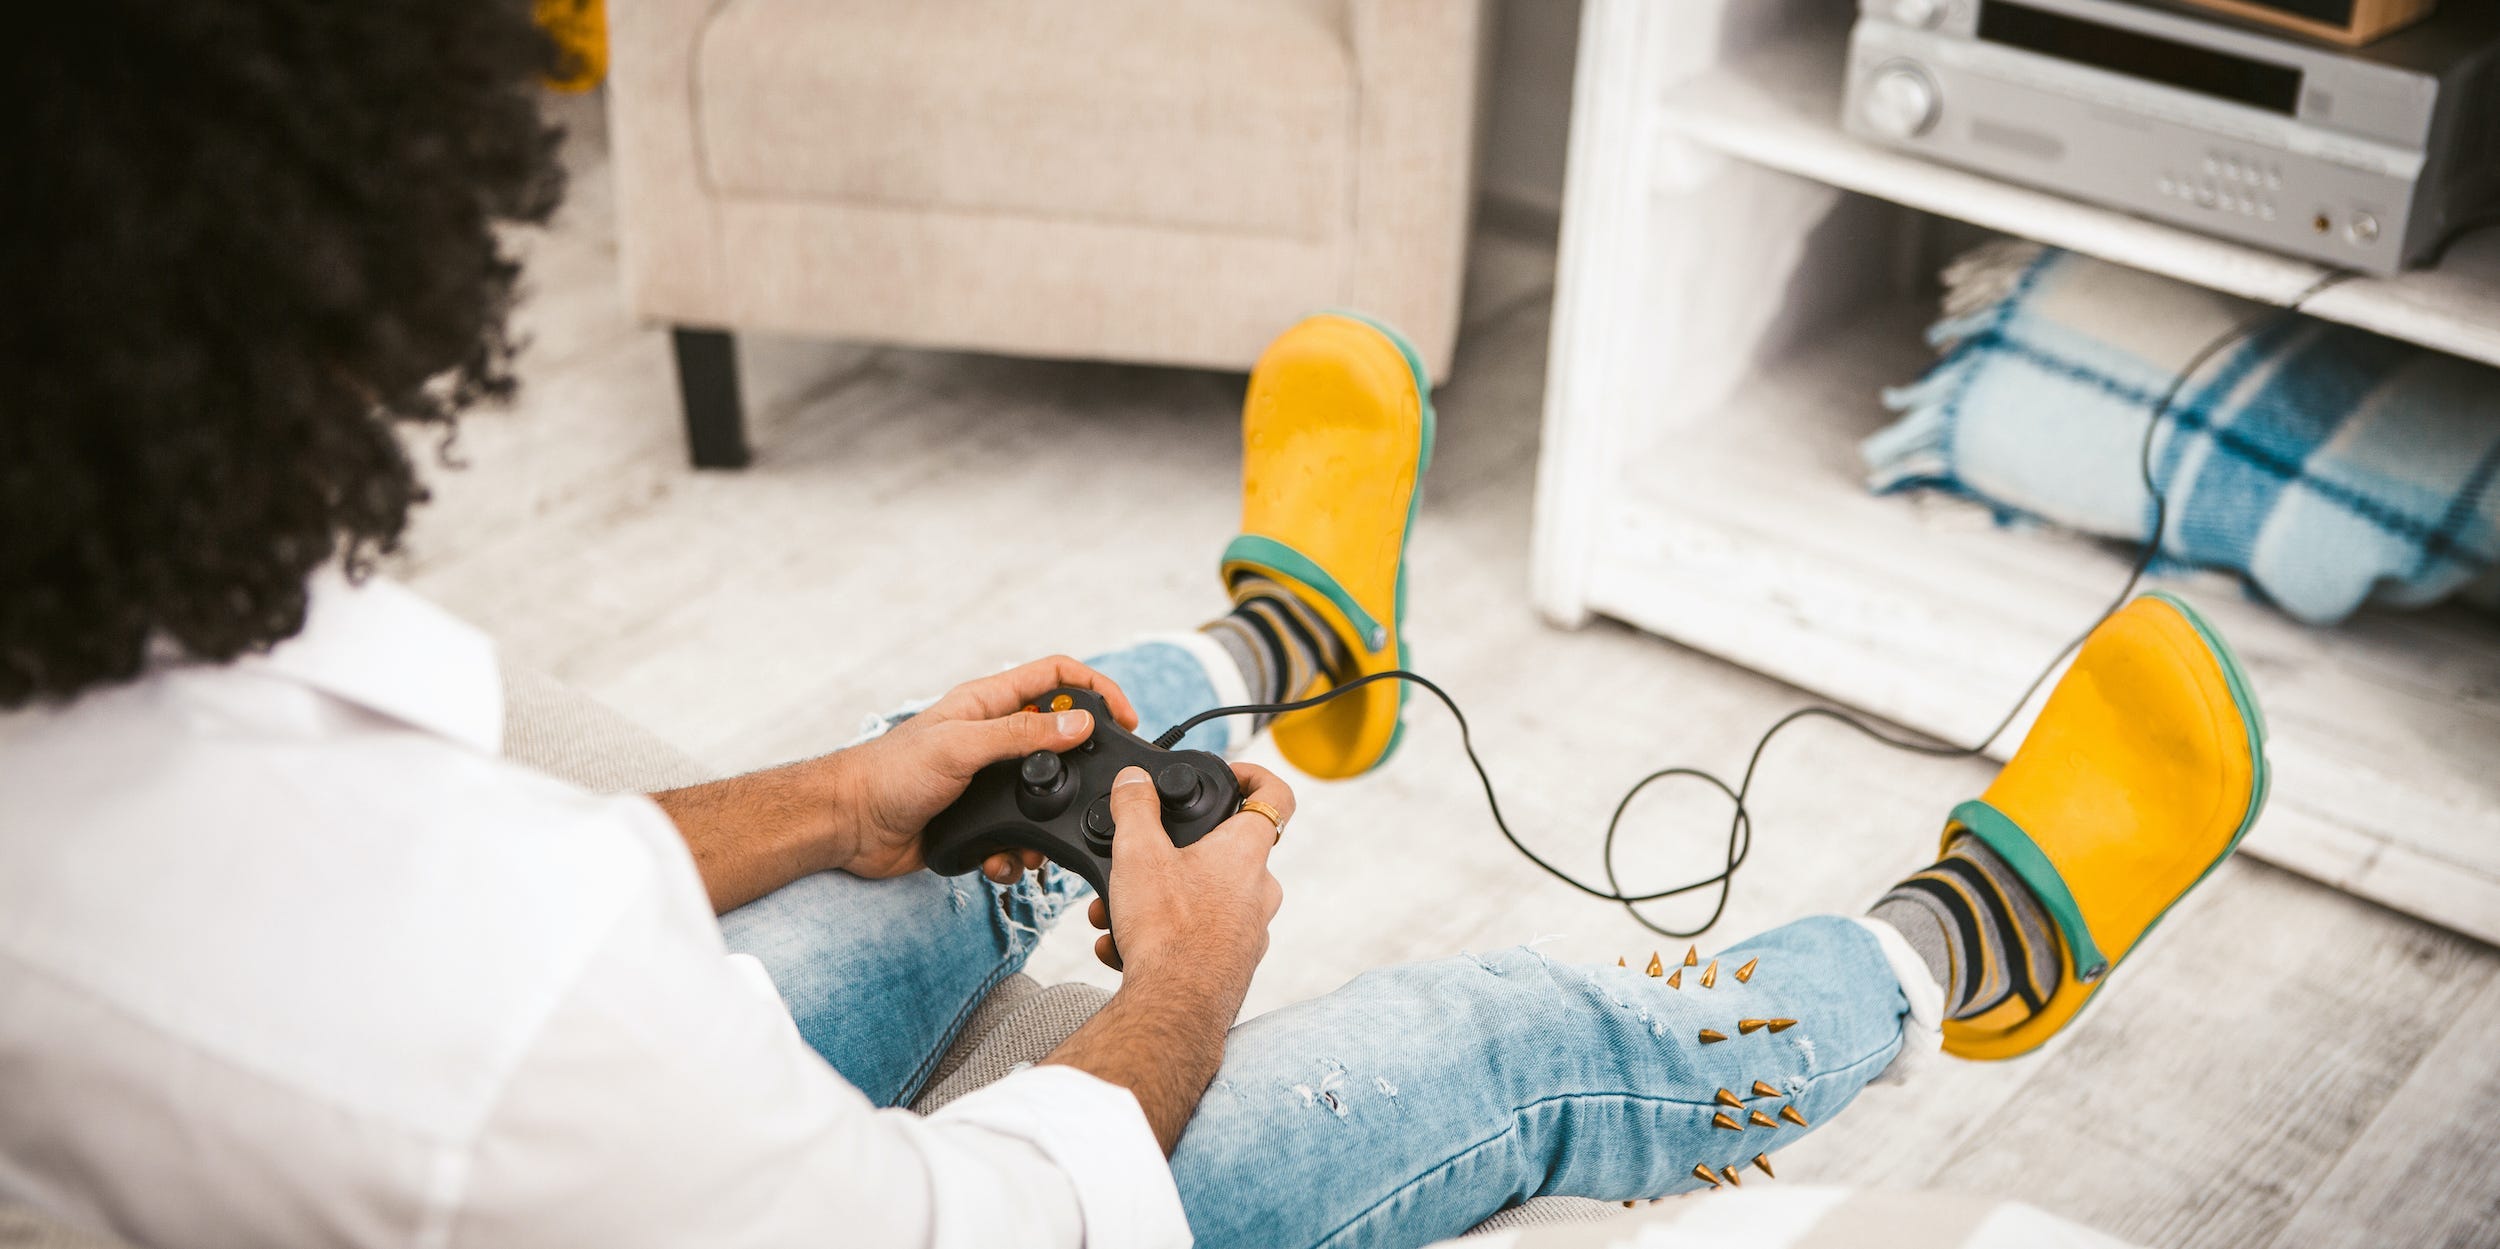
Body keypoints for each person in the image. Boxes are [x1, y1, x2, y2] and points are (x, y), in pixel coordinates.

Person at [0, 4, 2267, 1247]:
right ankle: (1963, 942)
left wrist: (830, 797)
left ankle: (1287, 660)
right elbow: (980, 1227)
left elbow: (474, 906)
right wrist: (1186, 977)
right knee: (1479, 1037)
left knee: (964, 780)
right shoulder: (472, 1001)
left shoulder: (184, 744)